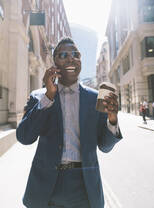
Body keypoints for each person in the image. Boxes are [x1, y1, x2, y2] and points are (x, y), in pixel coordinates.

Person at [16, 37, 122, 208]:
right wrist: (48, 97)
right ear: (54, 62)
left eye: (75, 54)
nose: (71, 58)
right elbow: (24, 137)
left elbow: (105, 146)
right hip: (47, 187)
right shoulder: (38, 96)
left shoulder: (95, 98)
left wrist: (112, 119)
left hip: (84, 187)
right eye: (63, 55)